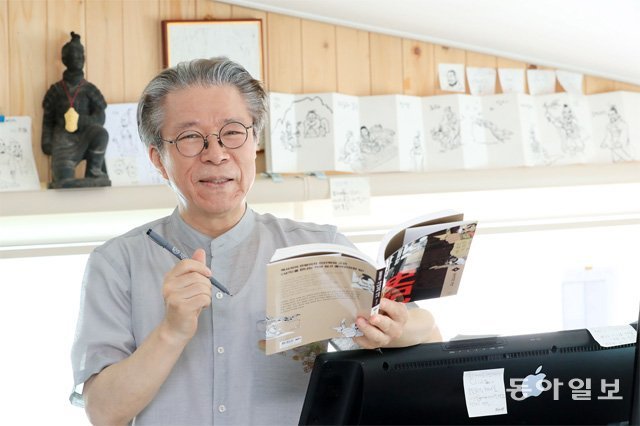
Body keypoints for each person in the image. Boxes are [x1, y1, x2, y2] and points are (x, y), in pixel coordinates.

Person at [70, 57, 441, 425]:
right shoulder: (117, 263)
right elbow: (103, 412)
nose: (215, 154)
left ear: (255, 142)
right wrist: (172, 331)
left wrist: (393, 329)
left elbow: (427, 331)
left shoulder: (320, 248)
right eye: (189, 138)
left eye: (232, 132)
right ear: (158, 159)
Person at [41, 31, 110, 188]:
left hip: (86, 134)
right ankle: (65, 170)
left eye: (81, 55)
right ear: (65, 59)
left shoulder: (90, 89)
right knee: (64, 180)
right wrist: (46, 142)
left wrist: (82, 121)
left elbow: (100, 117)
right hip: (63, 141)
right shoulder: (56, 91)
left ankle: (94, 171)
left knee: (100, 133)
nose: (79, 59)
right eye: (74, 55)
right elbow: (48, 119)